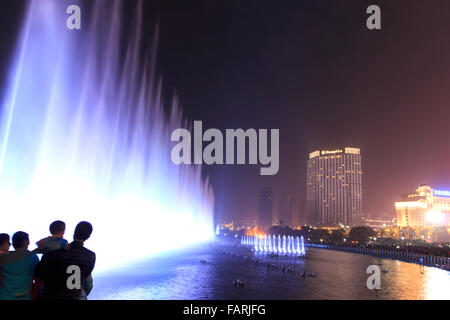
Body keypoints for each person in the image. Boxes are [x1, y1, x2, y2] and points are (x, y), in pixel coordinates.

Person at [35, 221, 96, 300]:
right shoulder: (90, 256)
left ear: (74, 232)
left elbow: (39, 272)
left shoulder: (55, 251)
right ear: (88, 236)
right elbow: (87, 281)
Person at [0, 232, 39, 300]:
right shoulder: (32, 257)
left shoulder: (3, 257)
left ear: (13, 243)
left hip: (3, 296)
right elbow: (37, 280)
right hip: (23, 296)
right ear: (26, 242)